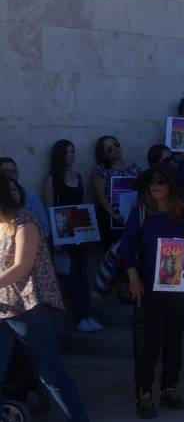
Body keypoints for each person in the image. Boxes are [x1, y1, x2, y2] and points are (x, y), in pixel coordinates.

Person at [0, 173, 93, 422]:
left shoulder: (24, 220)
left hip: (31, 309)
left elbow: (21, 267)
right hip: (4, 308)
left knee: (50, 373)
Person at [119, 165, 184, 417]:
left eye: (160, 182)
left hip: (179, 286)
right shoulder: (142, 212)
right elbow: (125, 247)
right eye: (150, 183)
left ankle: (169, 387)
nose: (154, 187)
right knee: (149, 341)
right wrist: (133, 278)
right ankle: (144, 393)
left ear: (171, 185)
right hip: (149, 286)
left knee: (173, 338)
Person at [41, 140, 102, 333]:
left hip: (80, 233)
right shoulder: (52, 179)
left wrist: (90, 234)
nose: (71, 155)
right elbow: (50, 208)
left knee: (84, 276)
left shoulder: (78, 177)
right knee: (72, 278)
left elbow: (84, 206)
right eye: (67, 152)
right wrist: (56, 240)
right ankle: (79, 317)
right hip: (63, 233)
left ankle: (87, 314)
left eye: (73, 151)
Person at [91, 135, 141, 242]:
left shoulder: (134, 166)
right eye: (109, 149)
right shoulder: (102, 168)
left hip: (132, 217)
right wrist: (113, 214)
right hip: (111, 218)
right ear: (104, 154)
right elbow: (99, 194)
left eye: (116, 145)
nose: (115, 149)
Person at [0, 160, 47, 239]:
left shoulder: (30, 200)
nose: (10, 175)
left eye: (14, 171)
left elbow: (45, 228)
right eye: (6, 171)